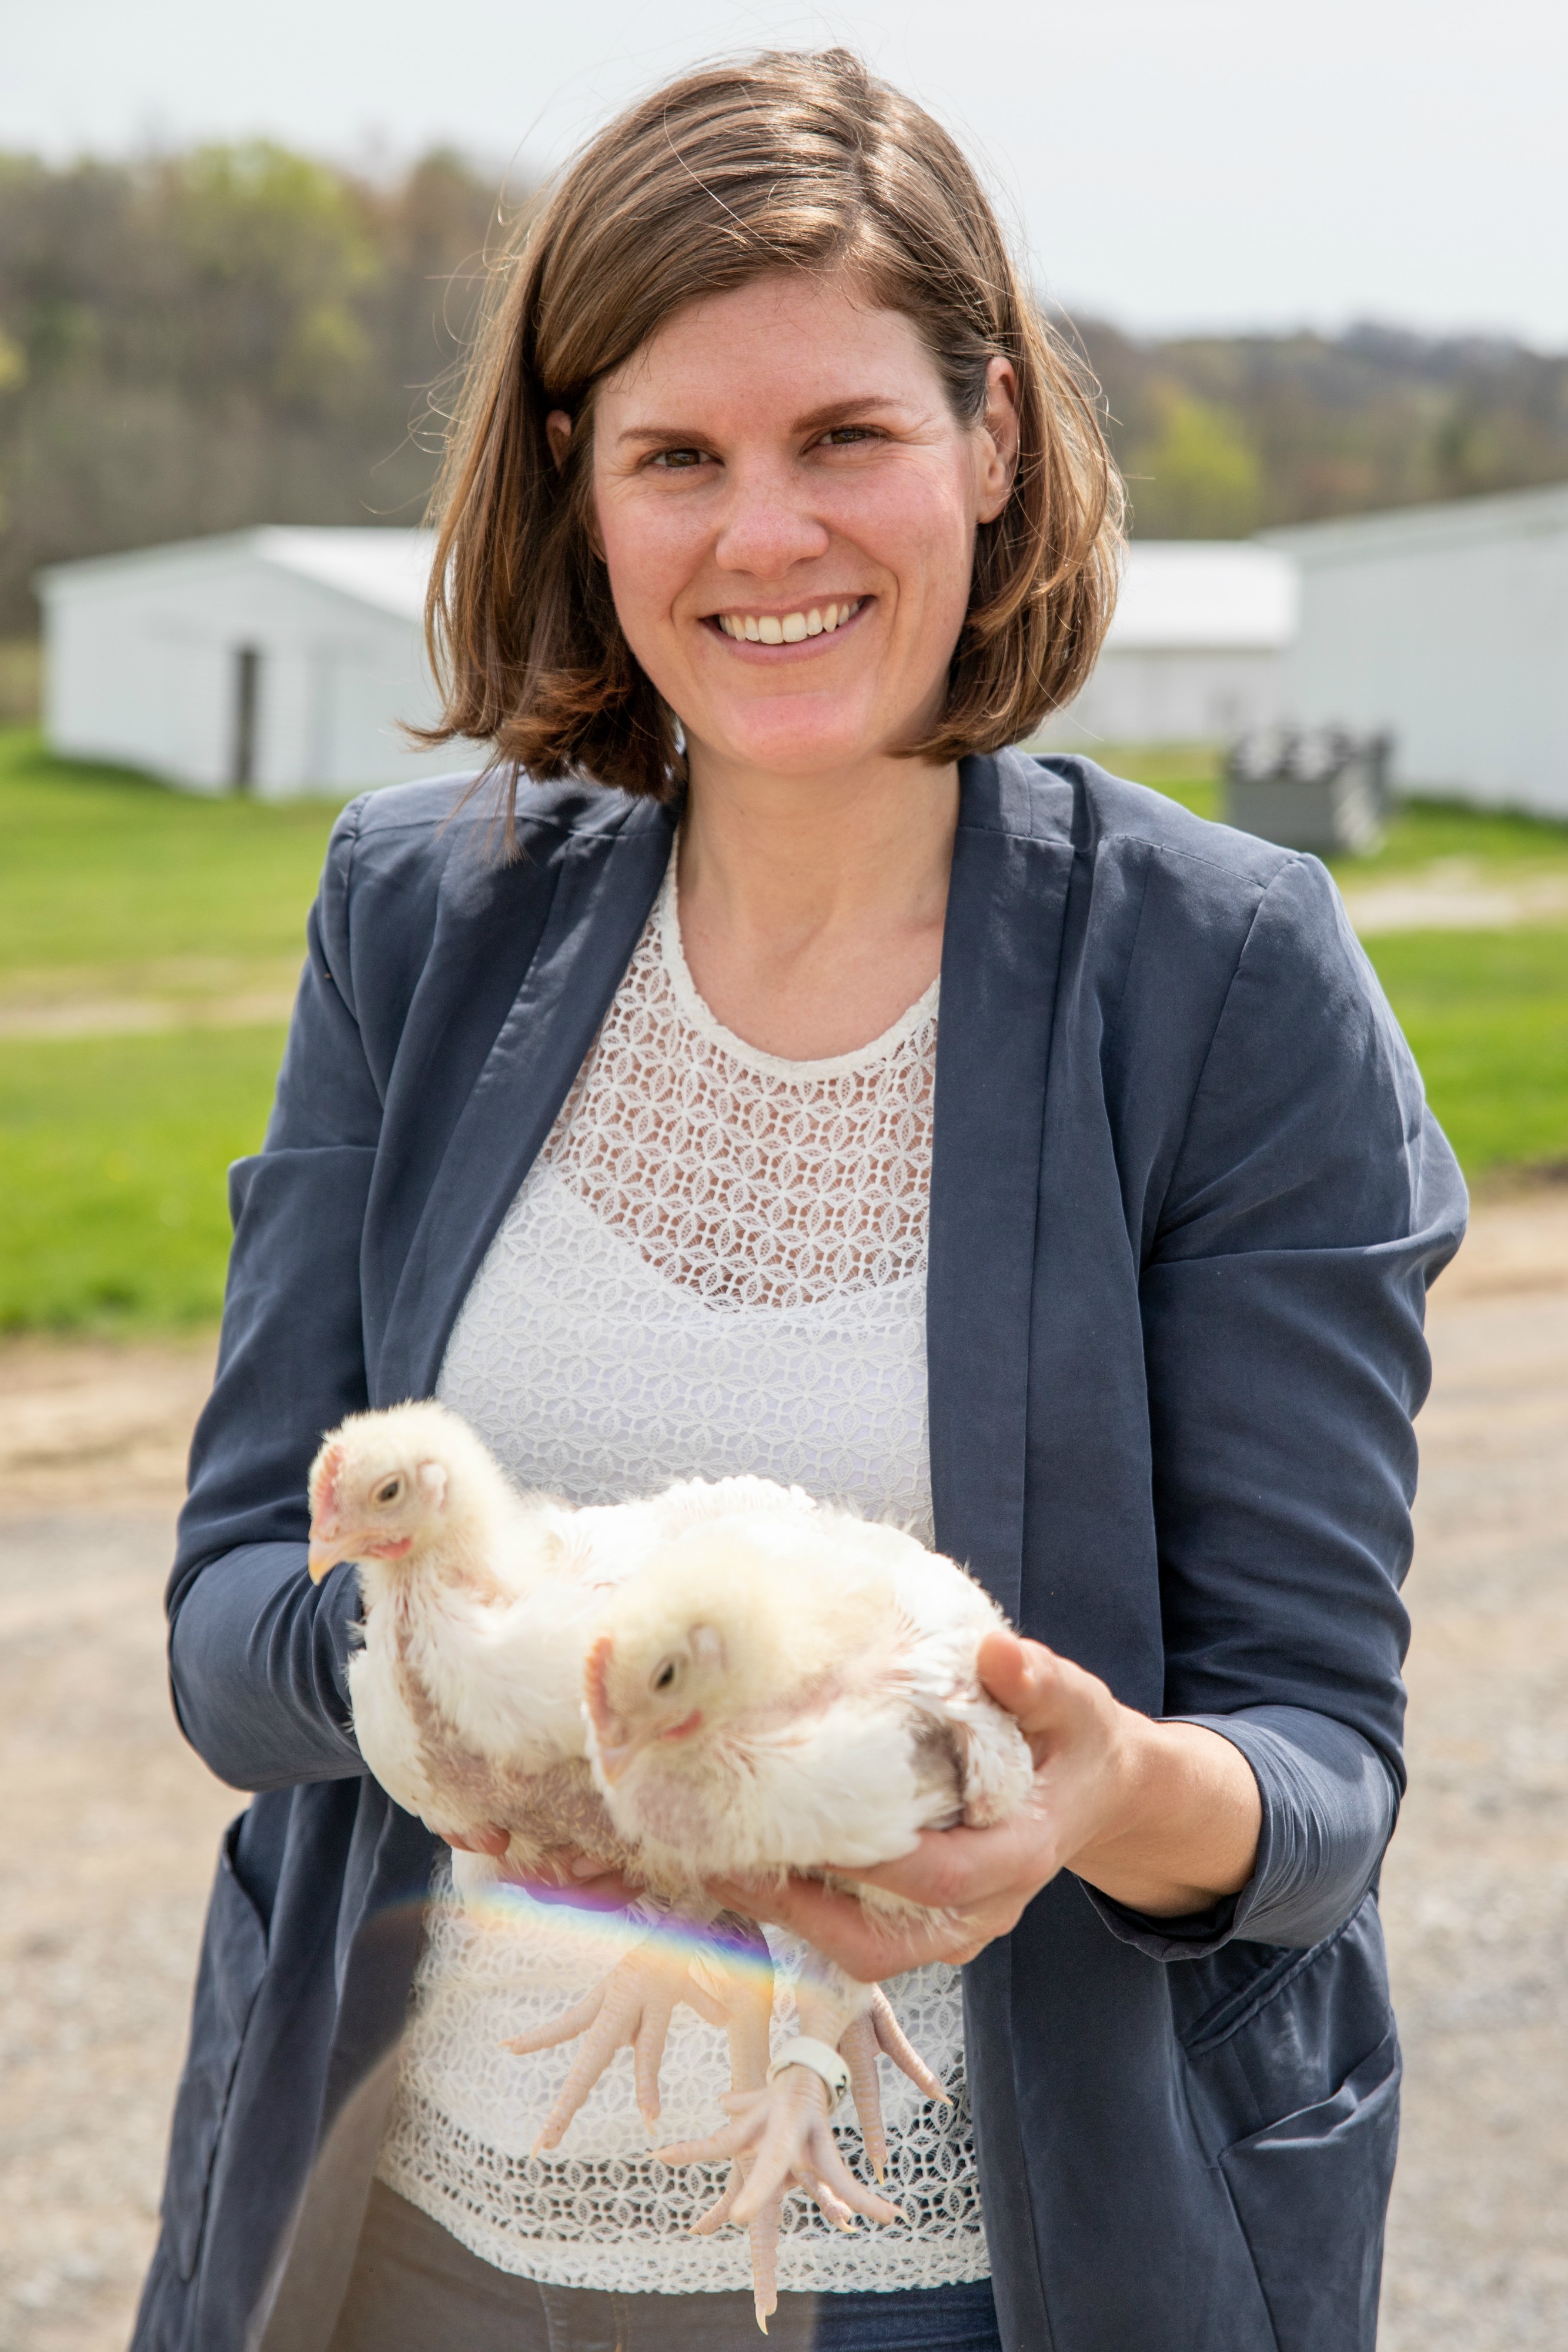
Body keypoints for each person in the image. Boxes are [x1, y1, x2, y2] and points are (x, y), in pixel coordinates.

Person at [133, 48, 1465, 2352]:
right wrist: (471, 1666)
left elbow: (1315, 1772)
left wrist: (1092, 1789)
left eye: (842, 436)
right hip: (408, 2245)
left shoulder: (1225, 977)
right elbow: (235, 1624)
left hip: (944, 2277)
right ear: (583, 487)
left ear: (994, 443)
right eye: (678, 457)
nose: (765, 537)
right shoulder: (420, 914)